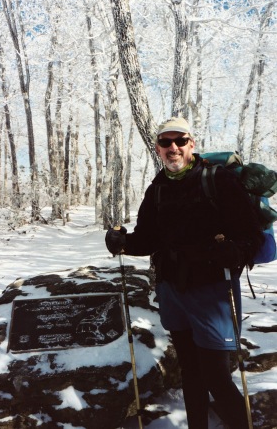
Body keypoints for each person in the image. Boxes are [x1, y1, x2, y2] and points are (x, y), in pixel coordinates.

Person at [105, 116, 263, 429]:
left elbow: (251, 235)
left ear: (192, 144)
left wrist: (236, 251)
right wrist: (122, 242)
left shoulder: (218, 180)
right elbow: (148, 238)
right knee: (191, 372)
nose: (173, 148)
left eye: (180, 141)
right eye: (166, 142)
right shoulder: (158, 189)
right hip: (174, 289)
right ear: (158, 148)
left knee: (216, 377)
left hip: (213, 290)